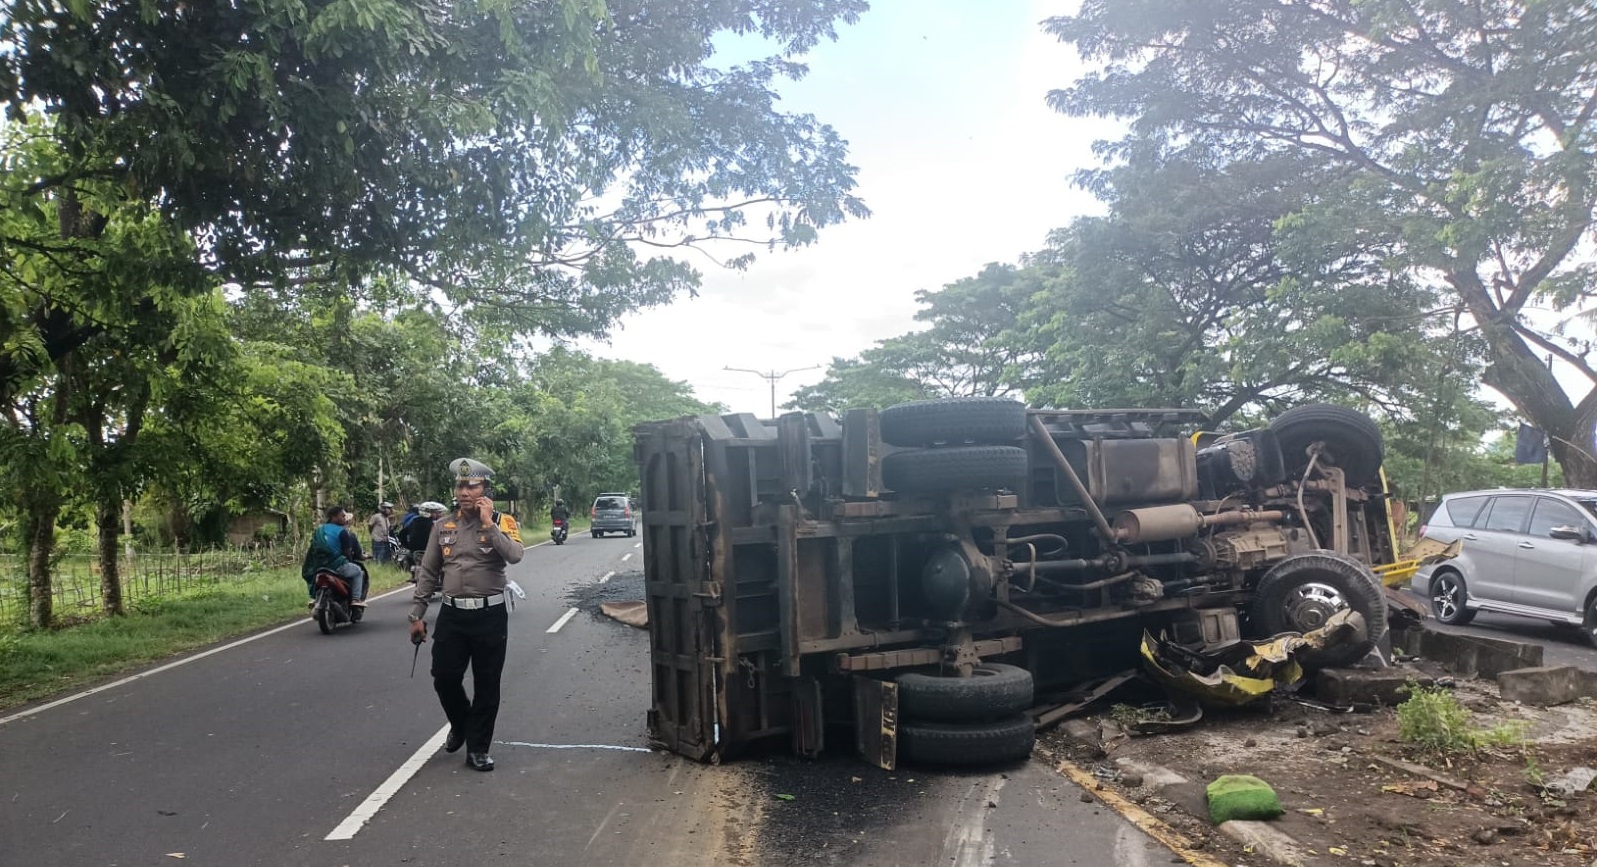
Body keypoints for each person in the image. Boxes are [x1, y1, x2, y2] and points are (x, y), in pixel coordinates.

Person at [407, 459, 524, 772]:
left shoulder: (503, 520)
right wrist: (416, 614)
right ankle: (461, 723)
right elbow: (429, 572)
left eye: (472, 485)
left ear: (485, 489)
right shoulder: (442, 526)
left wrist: (488, 524)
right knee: (444, 677)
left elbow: (515, 555)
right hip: (452, 615)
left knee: (487, 684)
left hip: (490, 615)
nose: (464, 491)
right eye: (460, 486)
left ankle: (478, 748)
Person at [301, 505, 367, 607]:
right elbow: (347, 553)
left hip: (319, 567)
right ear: (333, 517)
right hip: (337, 566)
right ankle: (355, 599)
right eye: (342, 516)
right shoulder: (342, 532)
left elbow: (312, 549)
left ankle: (315, 598)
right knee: (358, 571)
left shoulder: (319, 530)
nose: (344, 518)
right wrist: (349, 561)